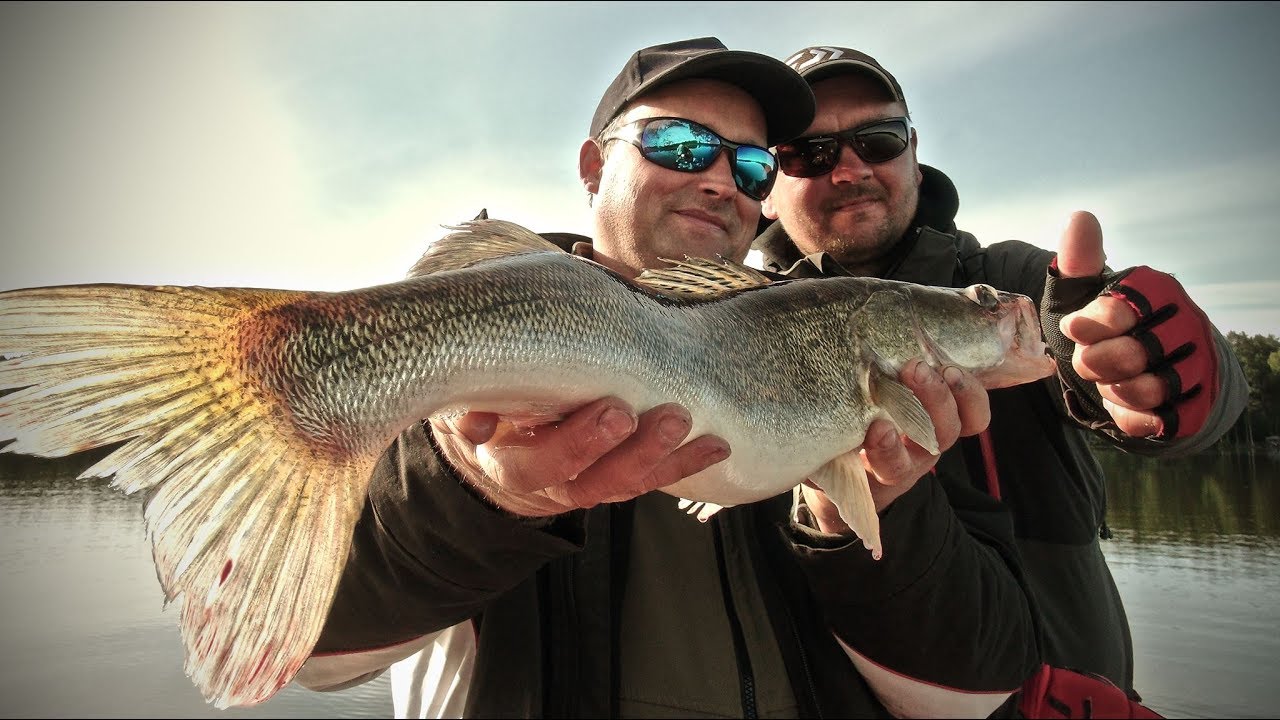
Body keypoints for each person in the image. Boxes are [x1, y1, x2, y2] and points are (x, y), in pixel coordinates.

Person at [294, 37, 1044, 718]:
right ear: (594, 167)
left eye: (754, 167)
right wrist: (477, 490)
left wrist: (870, 512)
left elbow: (971, 696)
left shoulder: (902, 410)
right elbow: (309, 648)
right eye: (681, 145)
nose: (722, 180)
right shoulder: (465, 360)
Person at [756, 44, 1250, 712]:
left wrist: (1174, 375)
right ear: (765, 183)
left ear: (913, 152)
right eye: (808, 153)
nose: (849, 169)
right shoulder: (740, 319)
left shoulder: (1008, 288)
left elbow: (1102, 340)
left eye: (877, 139)